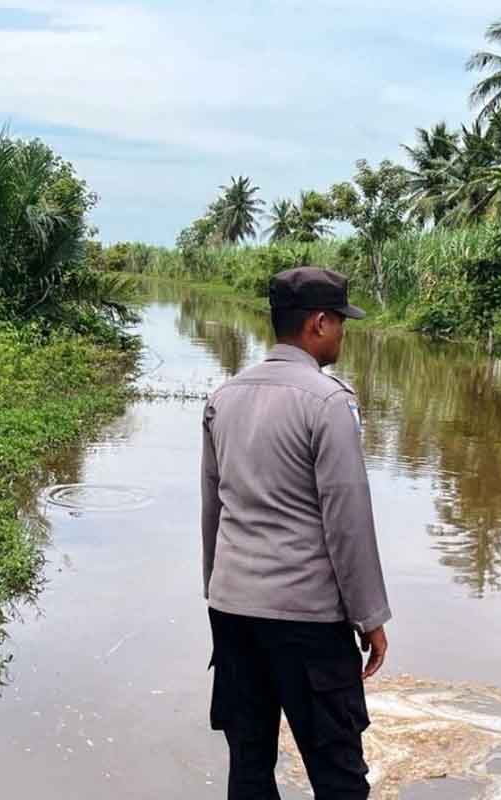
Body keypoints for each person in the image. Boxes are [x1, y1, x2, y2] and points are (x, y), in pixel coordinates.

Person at [201, 265, 392, 799]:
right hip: (306, 618)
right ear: (319, 323)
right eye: (341, 322)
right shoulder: (329, 402)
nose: (343, 333)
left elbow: (213, 508)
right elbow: (348, 522)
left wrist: (217, 589)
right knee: (338, 774)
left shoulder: (223, 396)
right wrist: (370, 617)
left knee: (249, 767)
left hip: (232, 609)